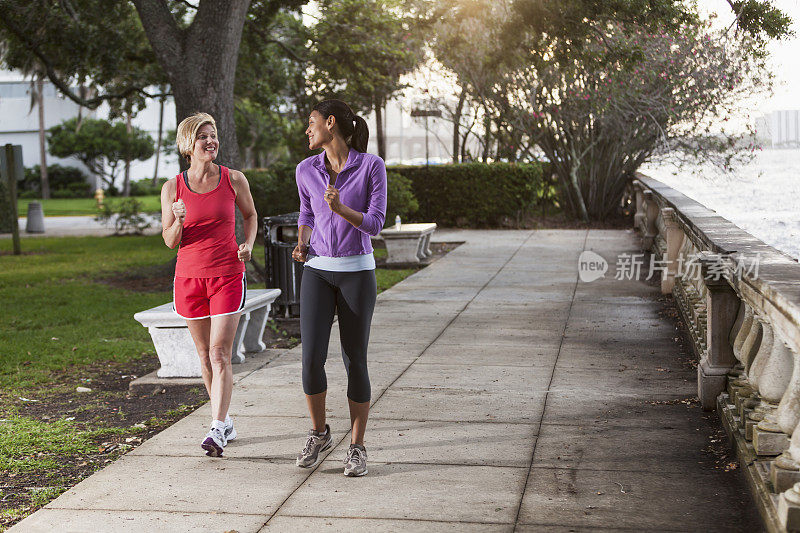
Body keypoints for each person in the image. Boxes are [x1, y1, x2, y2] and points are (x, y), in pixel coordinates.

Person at [292, 99, 387, 476]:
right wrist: (302, 242)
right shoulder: (305, 169)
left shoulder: (371, 166)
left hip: (356, 272)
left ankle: (357, 446)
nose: (307, 129)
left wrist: (341, 208)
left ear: (330, 123)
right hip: (317, 269)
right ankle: (319, 432)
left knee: (354, 359)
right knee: (310, 358)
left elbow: (375, 223)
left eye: (311, 121)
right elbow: (305, 212)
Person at [160, 112, 258, 457]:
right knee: (203, 355)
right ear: (189, 144)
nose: (210, 141)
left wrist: (248, 243)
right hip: (188, 279)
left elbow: (250, 215)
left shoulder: (234, 179)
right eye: (203, 136)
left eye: (213, 135)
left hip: (227, 274)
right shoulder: (173, 187)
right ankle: (225, 419)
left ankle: (215, 429)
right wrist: (180, 221)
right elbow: (170, 240)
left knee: (219, 352)